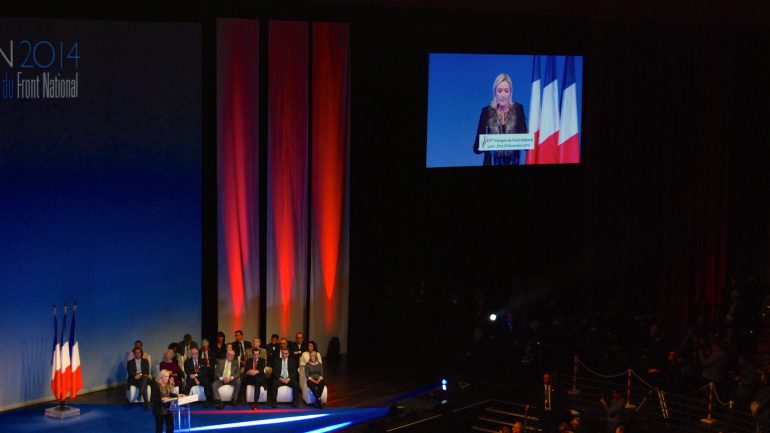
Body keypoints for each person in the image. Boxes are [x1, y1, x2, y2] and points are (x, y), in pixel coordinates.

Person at [472, 73, 527, 166]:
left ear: (510, 92)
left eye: (506, 91)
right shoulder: (486, 112)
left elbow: (526, 145)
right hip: (491, 163)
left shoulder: (518, 109)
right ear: (494, 92)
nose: (503, 95)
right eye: (499, 91)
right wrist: (487, 143)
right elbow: (476, 149)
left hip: (513, 163)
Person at [150, 369, 178, 433]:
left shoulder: (167, 384)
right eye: (166, 377)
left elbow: (169, 394)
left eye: (168, 376)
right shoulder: (156, 385)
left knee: (171, 427)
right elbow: (153, 399)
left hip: (168, 408)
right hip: (159, 409)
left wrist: (178, 395)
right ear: (161, 377)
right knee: (160, 428)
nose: (167, 378)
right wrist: (161, 399)